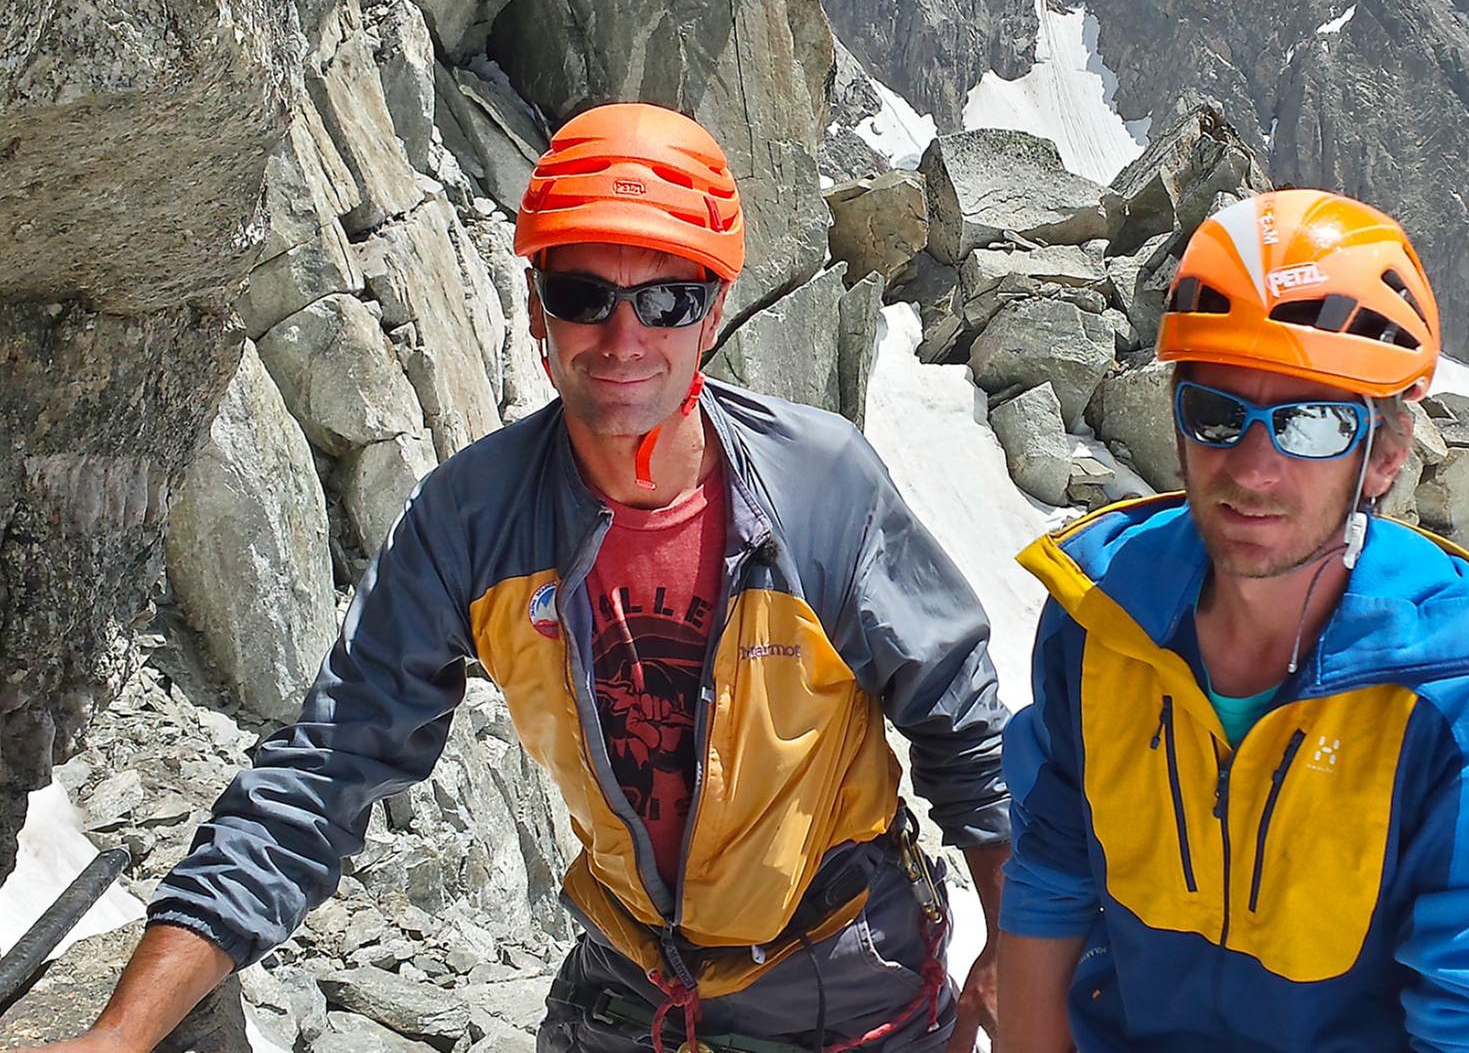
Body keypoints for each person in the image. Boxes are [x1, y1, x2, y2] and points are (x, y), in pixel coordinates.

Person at [17, 103, 1008, 1053]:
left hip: (850, 987)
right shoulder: (473, 522)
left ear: (711, 316)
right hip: (635, 987)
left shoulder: (819, 488)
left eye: (666, 298)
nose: (623, 337)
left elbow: (963, 726)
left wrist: (1012, 941)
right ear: (537, 309)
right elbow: (322, 774)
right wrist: (123, 1032)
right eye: (583, 295)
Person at [994, 189, 1469, 1051]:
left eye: (1311, 423)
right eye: (1216, 413)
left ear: (1385, 456)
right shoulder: (1101, 620)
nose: (1253, 469)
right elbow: (1052, 877)